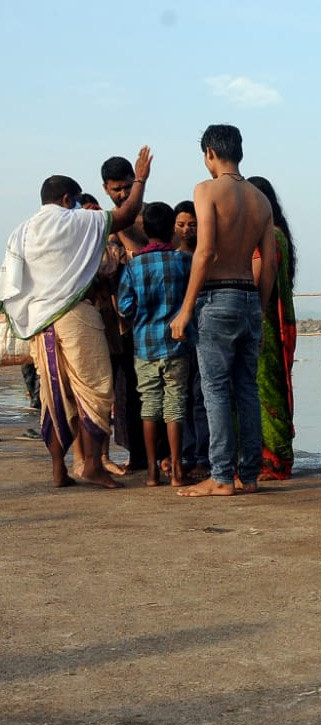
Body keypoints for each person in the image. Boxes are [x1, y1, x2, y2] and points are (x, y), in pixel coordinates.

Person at [0, 148, 152, 488]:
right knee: (96, 392)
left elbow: (12, 283)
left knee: (56, 396)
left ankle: (59, 469)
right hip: (77, 316)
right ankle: (93, 466)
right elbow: (125, 216)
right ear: (68, 198)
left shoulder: (21, 231)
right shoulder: (76, 219)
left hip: (41, 324)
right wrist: (141, 177)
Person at [169, 124, 277, 497]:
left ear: (210, 154)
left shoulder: (207, 189)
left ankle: (219, 476)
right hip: (249, 295)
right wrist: (259, 310)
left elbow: (206, 251)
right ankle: (247, 475)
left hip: (217, 296)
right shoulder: (261, 200)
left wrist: (185, 309)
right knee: (246, 389)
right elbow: (271, 262)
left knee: (215, 389)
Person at [117, 201, 193, 487]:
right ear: (172, 228)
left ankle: (151, 472)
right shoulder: (183, 261)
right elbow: (193, 299)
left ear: (146, 230)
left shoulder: (135, 266)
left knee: (149, 406)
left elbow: (125, 306)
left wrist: (142, 317)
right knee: (175, 405)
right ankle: (176, 470)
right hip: (177, 344)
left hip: (145, 345)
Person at [100, 155, 149, 473]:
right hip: (116, 322)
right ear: (106, 188)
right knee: (121, 391)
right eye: (117, 190)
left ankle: (152, 454)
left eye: (127, 187)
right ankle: (133, 454)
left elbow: (153, 250)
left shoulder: (147, 216)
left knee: (144, 389)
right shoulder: (105, 224)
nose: (122, 194)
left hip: (145, 320)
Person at [247, 176, 298, 481]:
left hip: (267, 324)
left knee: (268, 391)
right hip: (264, 322)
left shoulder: (271, 238)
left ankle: (277, 459)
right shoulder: (272, 236)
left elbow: (255, 281)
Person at [173, 199, 208, 478]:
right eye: (181, 224)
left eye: (192, 224)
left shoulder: (206, 258)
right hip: (177, 339)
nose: (187, 230)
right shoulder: (171, 259)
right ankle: (184, 455)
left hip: (202, 336)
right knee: (181, 398)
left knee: (200, 397)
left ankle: (201, 457)